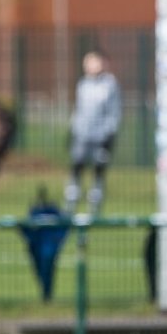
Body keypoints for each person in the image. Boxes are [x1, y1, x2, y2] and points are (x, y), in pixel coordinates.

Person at [64, 50, 122, 216]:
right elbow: (78, 110)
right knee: (76, 168)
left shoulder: (110, 85)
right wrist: (72, 130)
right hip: (82, 135)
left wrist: (110, 134)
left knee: (98, 171)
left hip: (101, 136)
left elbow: (114, 111)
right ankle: (70, 205)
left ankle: (94, 208)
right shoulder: (83, 84)